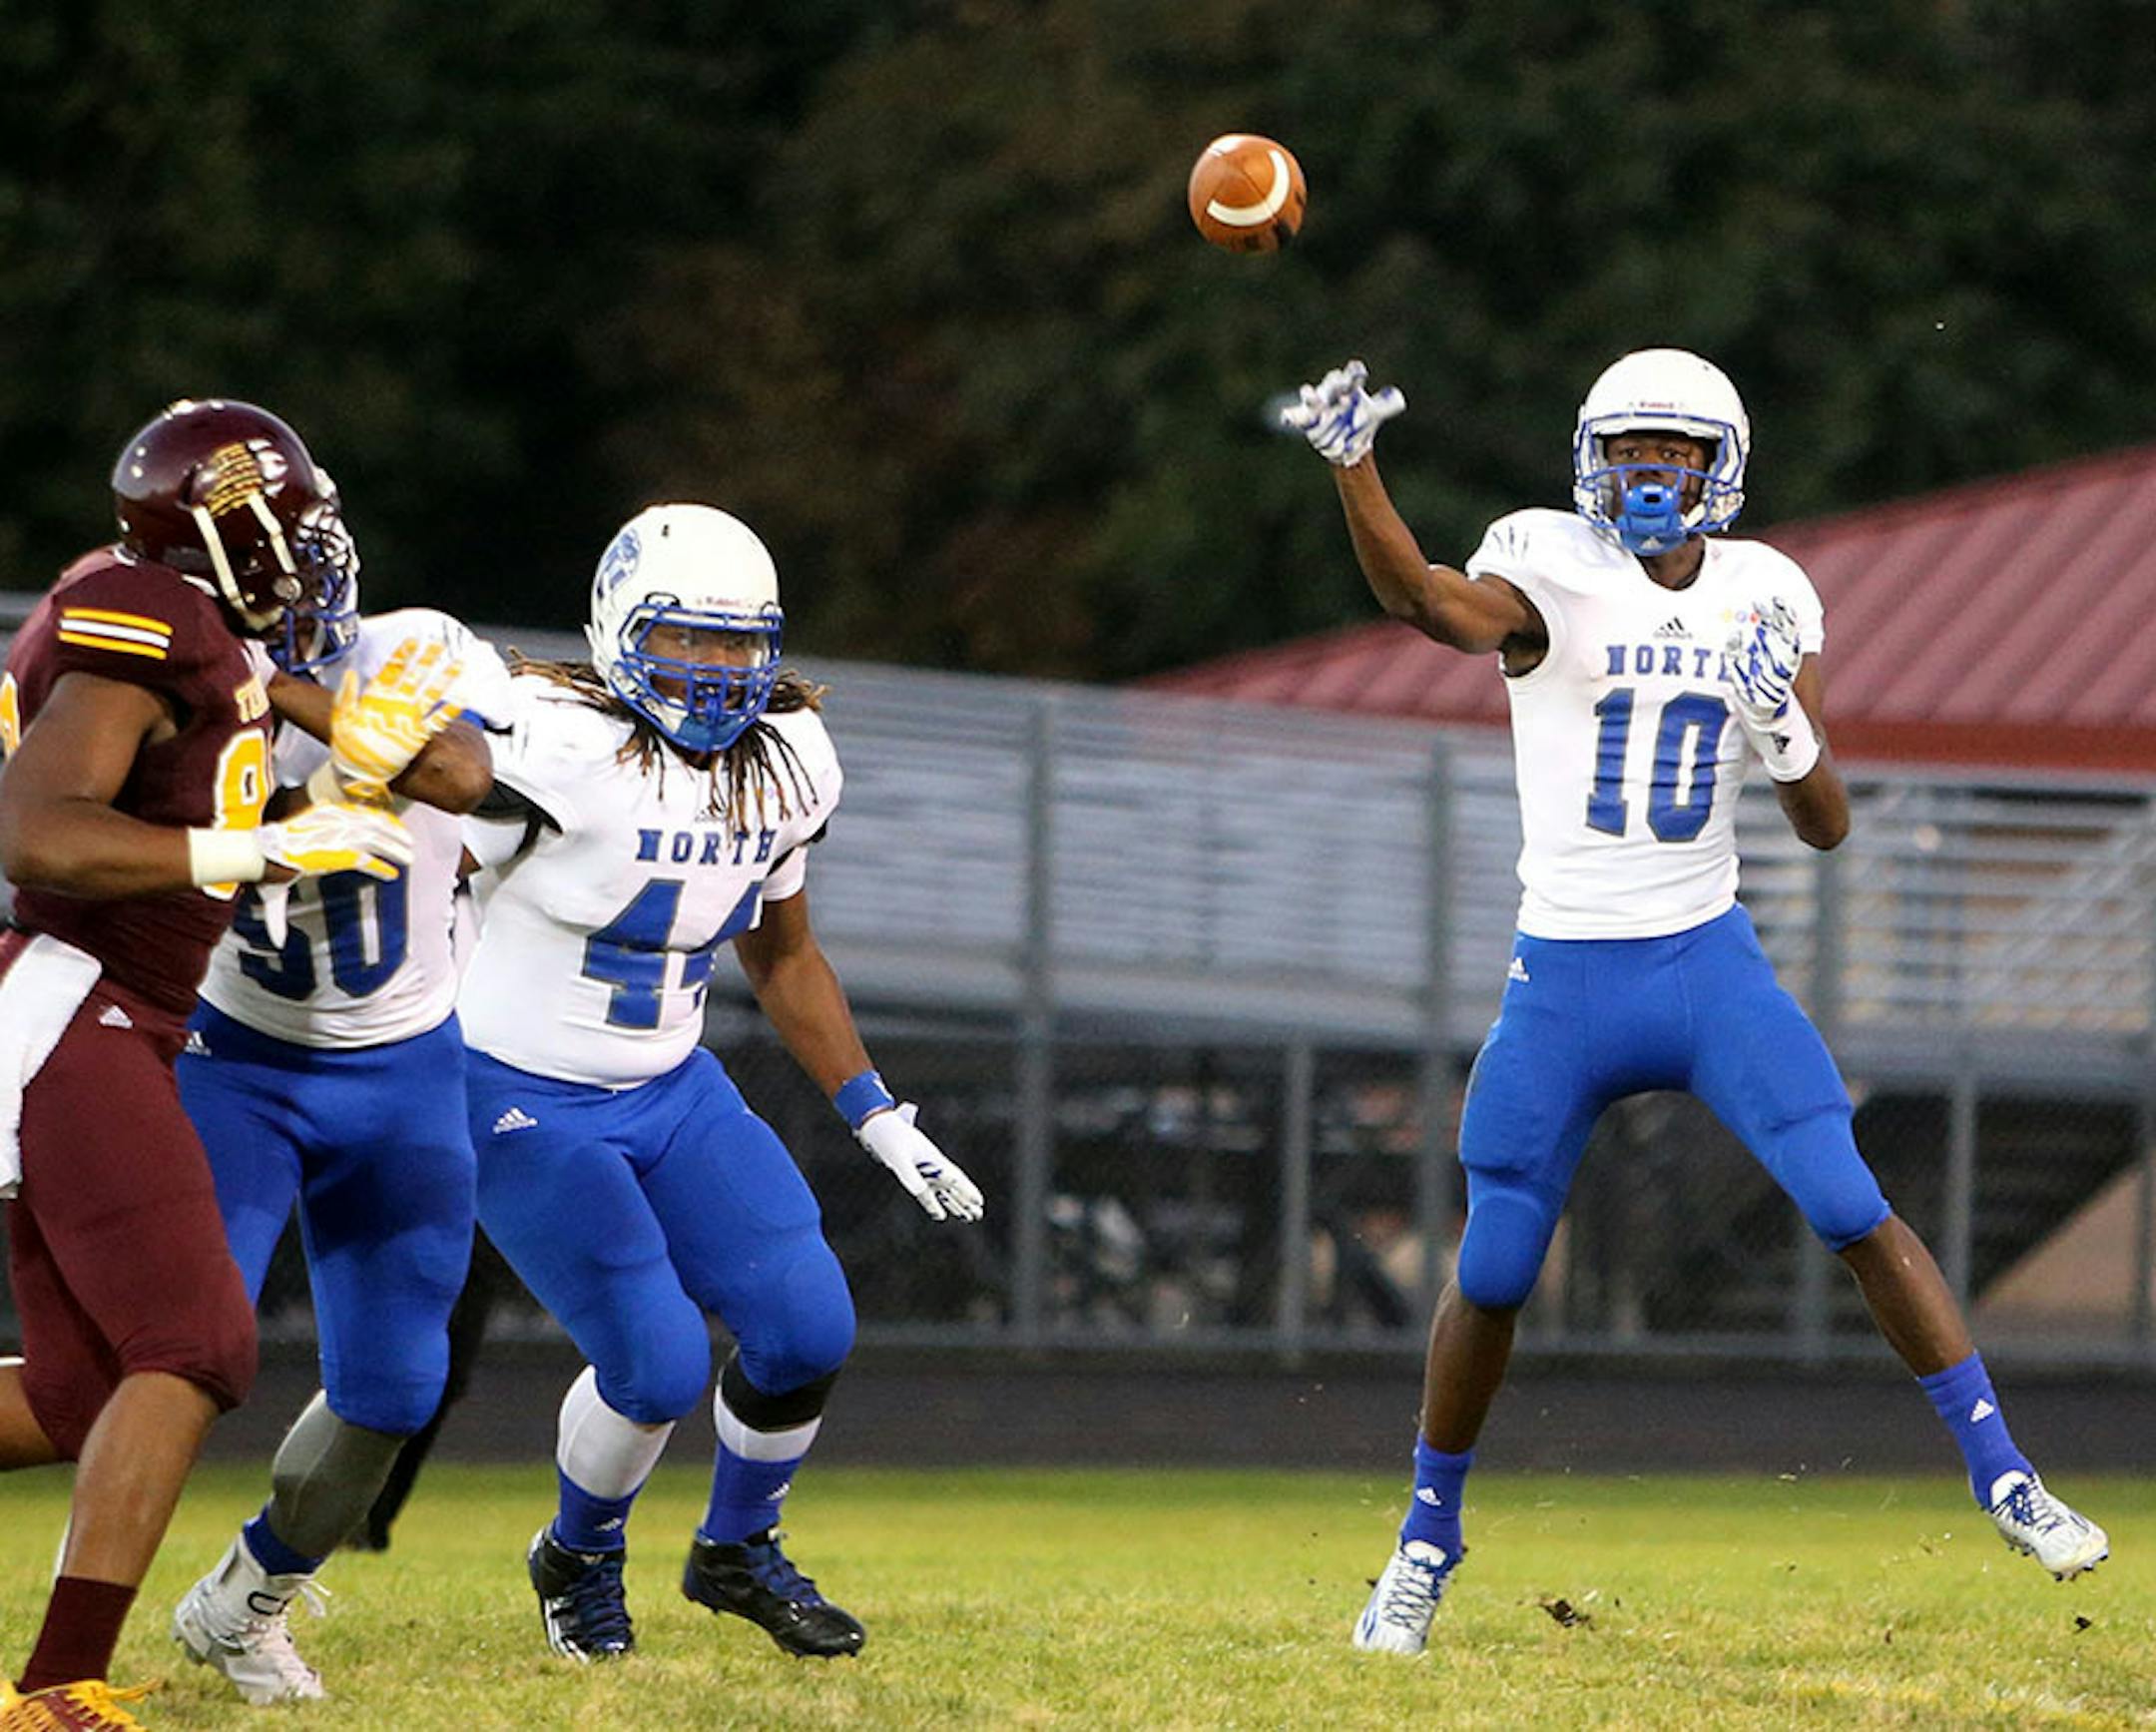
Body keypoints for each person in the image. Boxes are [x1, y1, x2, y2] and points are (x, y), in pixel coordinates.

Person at [1280, 351, 2110, 1656]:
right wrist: (1354, 467)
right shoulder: (1545, 562)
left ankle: (2008, 1475)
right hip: (1563, 967)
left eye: (1670, 450)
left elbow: (1827, 825)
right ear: (1590, 460)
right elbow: (1428, 604)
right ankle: (1423, 1543)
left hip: (1703, 958)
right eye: (1627, 449)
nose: (1646, 472)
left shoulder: (1769, 587)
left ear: (1715, 466)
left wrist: (1781, 722)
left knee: (1849, 1198)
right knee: (1494, 1264)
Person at [456, 502, 985, 1664]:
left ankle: (734, 1549)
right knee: (652, 1363)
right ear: (617, 629)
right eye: (687, 639)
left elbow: (782, 953)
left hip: (669, 1081)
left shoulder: (787, 761)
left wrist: (879, 1114)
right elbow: (405, 875)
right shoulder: (538, 741)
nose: (717, 670)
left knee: (807, 1326)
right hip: (518, 1086)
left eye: (741, 644)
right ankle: (578, 1557)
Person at [0, 399, 418, 1729]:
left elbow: (189, 805)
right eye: (293, 525)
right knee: (193, 1337)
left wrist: (316, 814)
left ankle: (58, 1676)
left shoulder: (205, 640)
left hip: (106, 1008)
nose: (313, 549)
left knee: (77, 1390)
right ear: (227, 529)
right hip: (74, 999)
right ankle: (56, 1685)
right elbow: (41, 834)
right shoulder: (141, 614)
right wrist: (255, 854)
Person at [166, 493, 512, 1704]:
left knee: (398, 1387)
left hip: (405, 1065)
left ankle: (246, 1599)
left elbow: (461, 771)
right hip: (239, 1061)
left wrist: (285, 689)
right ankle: (77, 1615)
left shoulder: (410, 645)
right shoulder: (169, 688)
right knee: (168, 1352)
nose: (294, 604)